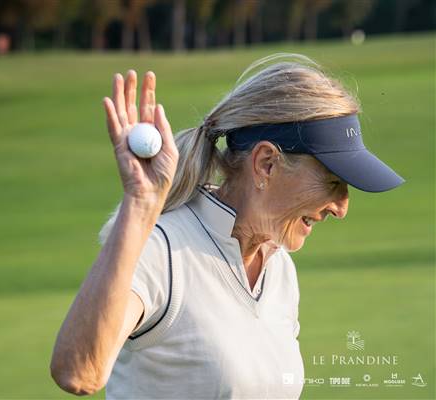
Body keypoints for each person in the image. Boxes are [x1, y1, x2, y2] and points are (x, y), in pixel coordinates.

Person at [50, 53, 404, 399]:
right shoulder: (162, 251)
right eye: (332, 182)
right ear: (266, 163)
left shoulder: (279, 268)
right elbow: (79, 372)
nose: (342, 207)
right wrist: (140, 206)